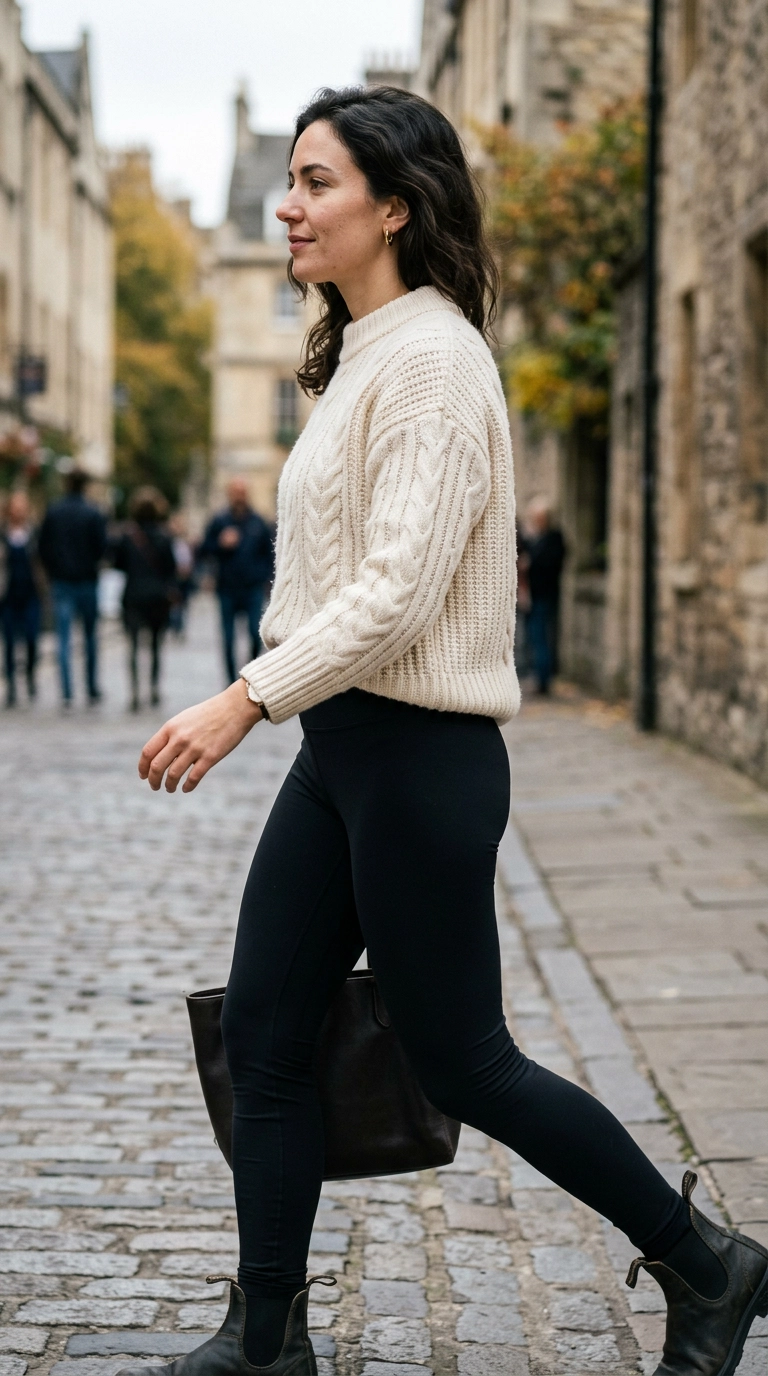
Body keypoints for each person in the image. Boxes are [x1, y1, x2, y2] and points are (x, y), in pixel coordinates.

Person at [123, 87, 767, 1376]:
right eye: (289, 181)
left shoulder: (432, 360)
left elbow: (400, 588)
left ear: (396, 207)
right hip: (347, 756)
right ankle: (267, 1334)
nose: (289, 206)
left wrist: (246, 694)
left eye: (317, 183)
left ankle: (706, 1262)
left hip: (418, 759)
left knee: (465, 1060)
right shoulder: (364, 349)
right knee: (264, 1031)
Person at [39, 468, 107, 705]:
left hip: (62, 581)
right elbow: (102, 548)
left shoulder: (54, 512)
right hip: (87, 581)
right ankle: (90, 687)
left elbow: (43, 547)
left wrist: (54, 570)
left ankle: (67, 691)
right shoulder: (93, 513)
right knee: (89, 637)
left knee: (64, 637)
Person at [199, 479, 274, 684]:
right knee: (228, 638)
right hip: (227, 588)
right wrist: (220, 543)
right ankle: (230, 680)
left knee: (254, 633)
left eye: (242, 492)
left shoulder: (258, 522)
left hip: (252, 588)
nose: (239, 497)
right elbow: (204, 550)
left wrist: (265, 580)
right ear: (229, 495)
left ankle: (248, 674)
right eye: (235, 493)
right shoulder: (219, 521)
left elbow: (269, 555)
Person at [111, 488, 177, 712]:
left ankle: (135, 691)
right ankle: (154, 687)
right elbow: (171, 568)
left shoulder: (127, 537)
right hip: (158, 597)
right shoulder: (165, 536)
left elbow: (117, 564)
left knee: (133, 644)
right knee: (156, 645)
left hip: (133, 595)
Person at [0, 491, 43, 707]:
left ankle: (30, 675)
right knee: (8, 641)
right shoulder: (3, 533)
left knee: (31, 638)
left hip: (30, 593)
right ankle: (12, 687)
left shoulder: (33, 533)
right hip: (7, 595)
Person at [522, 496, 566, 695]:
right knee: (533, 637)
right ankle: (537, 675)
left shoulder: (553, 539)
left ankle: (543, 680)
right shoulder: (534, 538)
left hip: (543, 596)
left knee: (541, 638)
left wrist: (530, 563)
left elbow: (549, 565)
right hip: (530, 596)